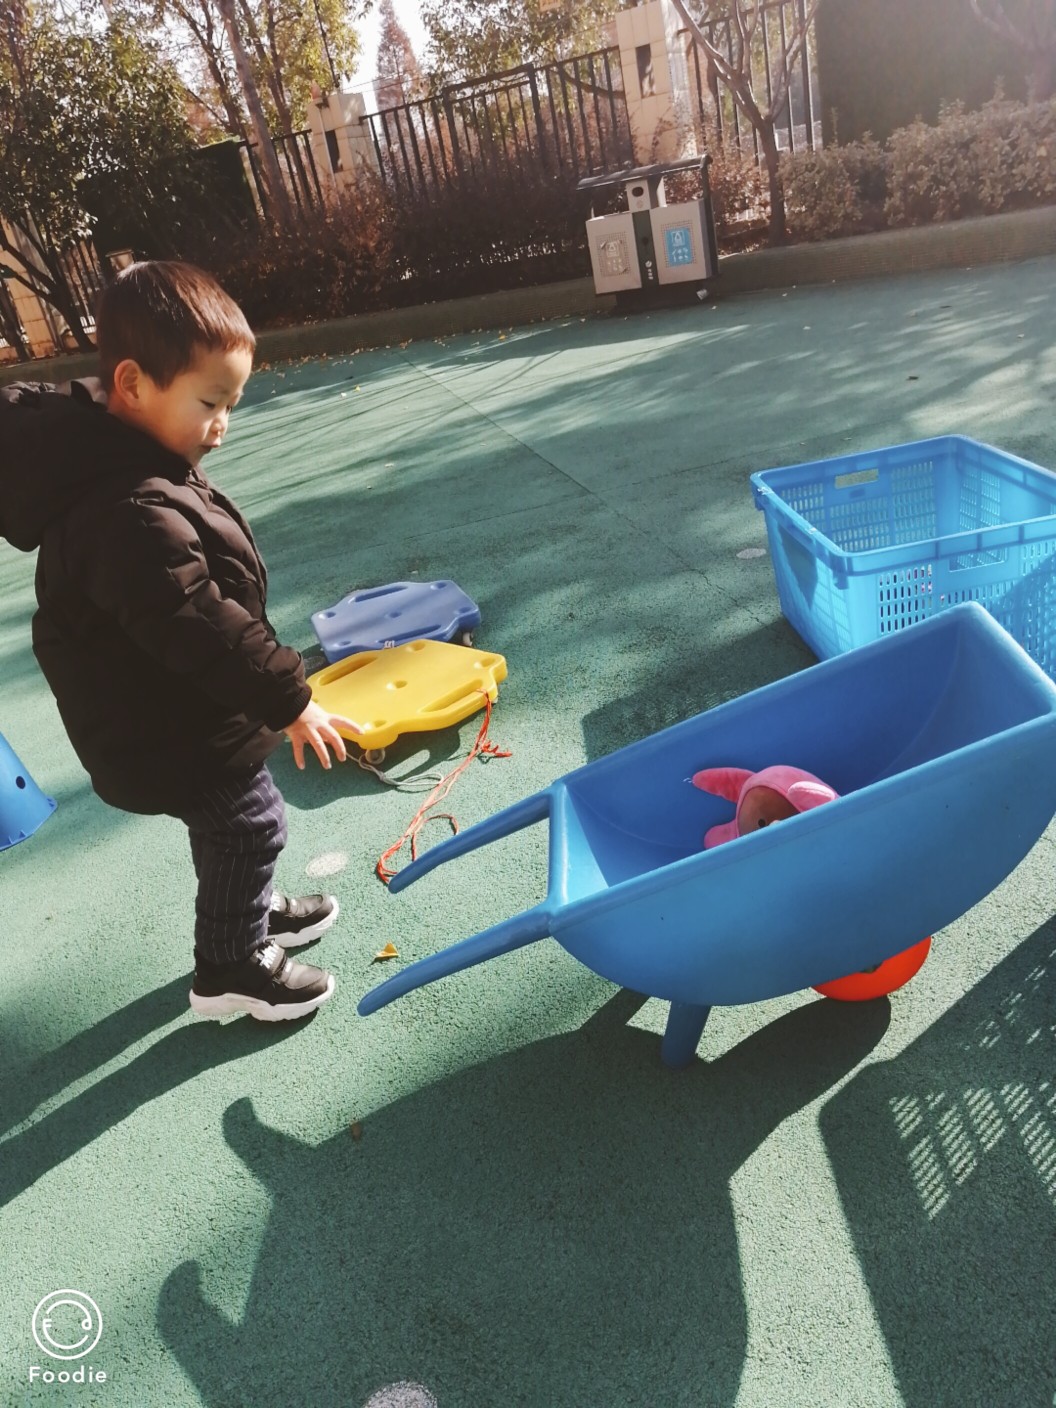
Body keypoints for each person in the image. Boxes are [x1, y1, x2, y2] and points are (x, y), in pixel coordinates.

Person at [0, 260, 360, 1022]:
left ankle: (245, 909)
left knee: (229, 826)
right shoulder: (126, 509)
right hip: (162, 726)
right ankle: (229, 967)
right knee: (252, 824)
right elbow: (197, 619)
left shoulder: (133, 460)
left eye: (231, 403)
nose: (222, 423)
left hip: (176, 706)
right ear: (132, 385)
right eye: (209, 402)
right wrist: (289, 696)